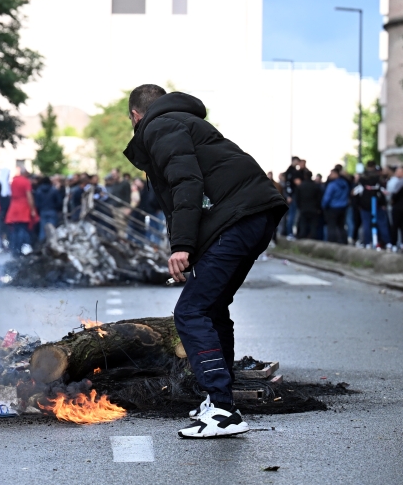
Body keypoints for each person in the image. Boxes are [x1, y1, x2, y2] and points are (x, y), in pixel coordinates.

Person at [122, 85, 286, 439]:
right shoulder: (182, 120)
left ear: (136, 115)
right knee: (212, 307)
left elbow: (186, 182)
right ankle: (219, 400)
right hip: (253, 215)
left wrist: (181, 245)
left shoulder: (159, 126)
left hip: (240, 217)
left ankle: (224, 410)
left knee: (191, 312)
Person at [5, 166, 35, 255]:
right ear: (25, 173)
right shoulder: (26, 182)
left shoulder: (14, 181)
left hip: (14, 207)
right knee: (23, 229)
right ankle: (23, 248)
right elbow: (29, 196)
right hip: (23, 208)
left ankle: (15, 249)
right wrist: (32, 209)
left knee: (15, 229)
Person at [321, 168, 350, 244]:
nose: (330, 175)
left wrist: (324, 206)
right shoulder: (345, 184)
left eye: (332, 173)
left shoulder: (332, 185)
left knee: (331, 227)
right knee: (341, 226)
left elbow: (327, 197)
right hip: (343, 207)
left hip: (332, 208)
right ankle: (344, 241)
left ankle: (332, 242)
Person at [294, 173, 323, 240]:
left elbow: (297, 198)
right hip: (314, 209)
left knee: (303, 223)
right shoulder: (316, 186)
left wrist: (300, 207)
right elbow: (319, 199)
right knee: (313, 225)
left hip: (303, 208)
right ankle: (313, 237)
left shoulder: (301, 186)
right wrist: (318, 208)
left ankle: (302, 236)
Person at [33, 176, 62, 242]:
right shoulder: (54, 190)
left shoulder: (38, 191)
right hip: (52, 211)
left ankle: (42, 244)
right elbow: (59, 201)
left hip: (43, 211)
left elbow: (37, 203)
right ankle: (53, 243)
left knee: (43, 229)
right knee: (52, 229)